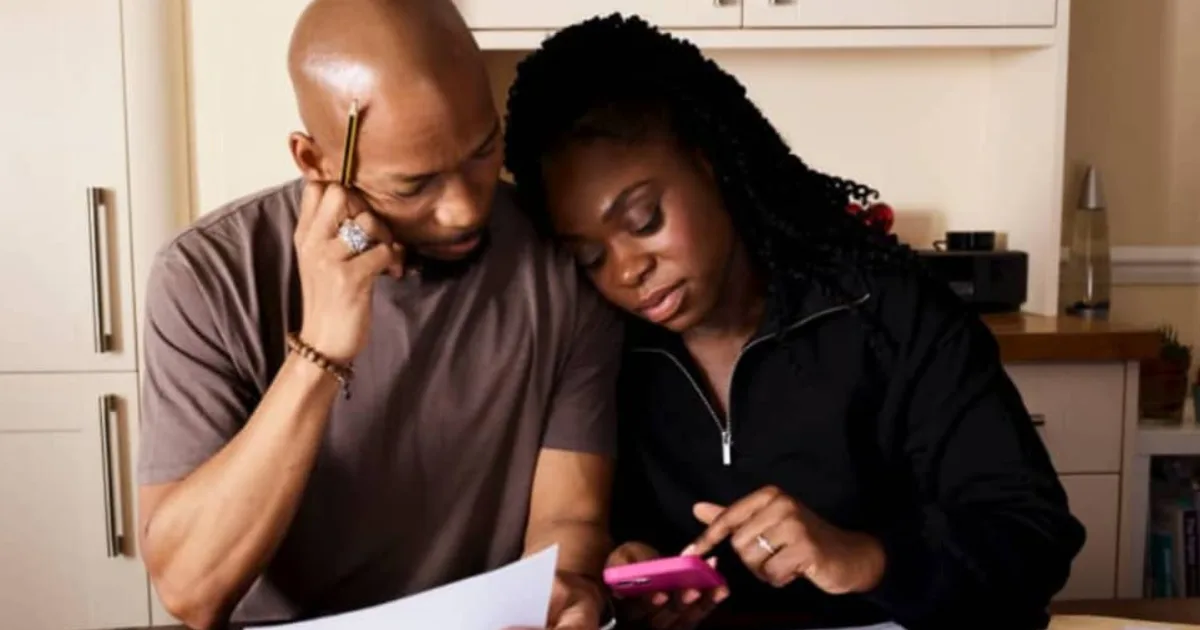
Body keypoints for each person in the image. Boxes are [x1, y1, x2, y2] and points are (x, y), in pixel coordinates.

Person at [502, 14, 1087, 630]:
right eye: (589, 257)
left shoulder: (888, 313)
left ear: (711, 163)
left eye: (645, 219)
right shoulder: (608, 354)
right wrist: (632, 577)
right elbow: (603, 536)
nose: (626, 271)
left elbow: (1034, 538)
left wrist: (866, 558)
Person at [135, 1, 622, 628]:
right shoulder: (206, 276)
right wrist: (323, 348)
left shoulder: (560, 258)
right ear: (314, 162)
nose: (464, 209)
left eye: (481, 151)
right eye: (414, 185)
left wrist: (564, 590)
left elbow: (569, 517)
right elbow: (191, 590)